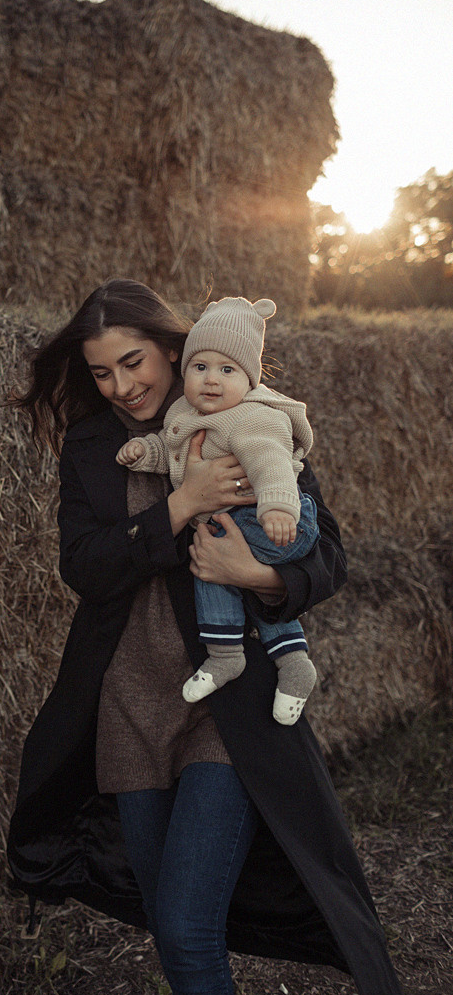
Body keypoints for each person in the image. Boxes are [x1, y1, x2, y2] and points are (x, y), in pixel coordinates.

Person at [6, 279, 408, 995]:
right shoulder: (91, 445)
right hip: (129, 705)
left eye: (133, 362)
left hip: (226, 702)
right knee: (171, 929)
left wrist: (257, 576)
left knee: (188, 926)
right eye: (101, 373)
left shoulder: (246, 412)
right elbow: (83, 567)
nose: (120, 386)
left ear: (171, 348)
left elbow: (326, 556)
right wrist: (180, 504)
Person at [116, 295, 319, 726]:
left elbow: (269, 461)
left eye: (227, 370)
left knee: (217, 561)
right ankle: (270, 658)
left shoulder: (252, 416)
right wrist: (145, 451)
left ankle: (244, 656)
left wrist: (277, 507)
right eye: (200, 367)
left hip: (275, 519)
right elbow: (174, 450)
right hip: (233, 523)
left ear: (249, 380)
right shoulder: (185, 412)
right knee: (216, 567)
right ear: (184, 370)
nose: (211, 379)